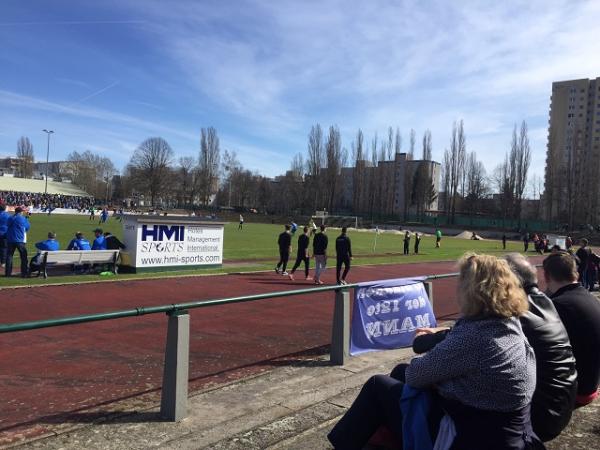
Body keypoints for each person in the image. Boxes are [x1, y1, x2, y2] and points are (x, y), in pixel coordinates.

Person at [328, 254, 540, 450]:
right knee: (399, 372)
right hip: (506, 429)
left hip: (475, 436)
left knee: (377, 385)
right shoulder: (509, 322)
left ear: (473, 291)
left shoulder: (476, 337)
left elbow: (417, 375)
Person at [504, 253, 577, 442]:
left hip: (540, 419)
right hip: (562, 407)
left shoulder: (518, 312)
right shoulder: (547, 303)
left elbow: (477, 338)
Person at [543, 251, 600, 407]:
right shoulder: (589, 298)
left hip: (576, 392)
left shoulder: (558, 305)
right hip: (591, 384)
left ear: (547, 277)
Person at [5, 206, 30, 277]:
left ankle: (8, 273)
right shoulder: (23, 219)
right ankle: (24, 272)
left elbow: (8, 225)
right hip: (19, 240)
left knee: (9, 256)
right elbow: (27, 227)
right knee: (23, 256)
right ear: (21, 212)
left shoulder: (10, 218)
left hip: (10, 239)